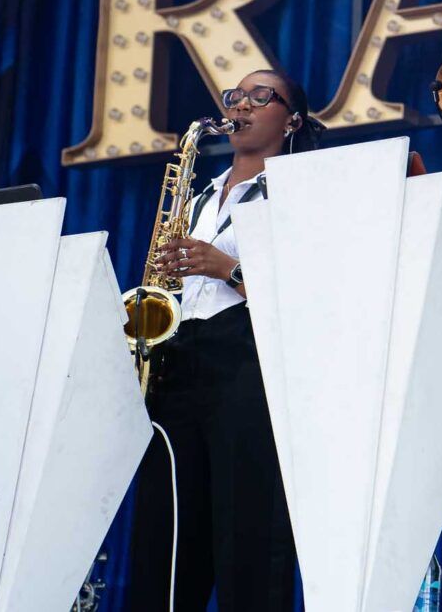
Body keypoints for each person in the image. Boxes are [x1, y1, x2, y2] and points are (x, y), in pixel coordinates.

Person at [127, 68, 323, 612]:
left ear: (292, 121)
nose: (242, 104)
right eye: (235, 96)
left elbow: (312, 295)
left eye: (262, 97)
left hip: (250, 364)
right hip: (180, 364)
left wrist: (228, 269)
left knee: (248, 537)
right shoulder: (199, 199)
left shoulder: (302, 193)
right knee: (166, 539)